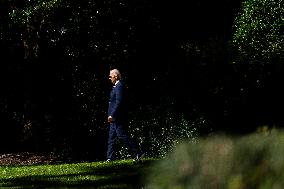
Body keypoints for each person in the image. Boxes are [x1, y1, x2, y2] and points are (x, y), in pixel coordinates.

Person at [106, 68, 144, 162]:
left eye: (110, 76)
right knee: (111, 138)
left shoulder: (119, 86)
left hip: (117, 116)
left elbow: (119, 102)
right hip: (113, 117)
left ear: (115, 76)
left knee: (121, 135)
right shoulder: (116, 86)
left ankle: (138, 153)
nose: (109, 78)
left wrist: (113, 114)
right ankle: (109, 158)